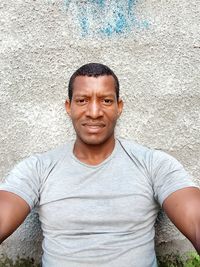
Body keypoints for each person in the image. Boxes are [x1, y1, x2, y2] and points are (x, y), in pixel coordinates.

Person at [0, 63, 199, 267]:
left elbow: (194, 217)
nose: (94, 112)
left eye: (105, 100)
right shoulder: (38, 169)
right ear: (69, 107)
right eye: (82, 100)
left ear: (119, 107)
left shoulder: (154, 164)